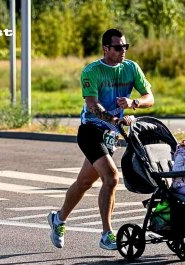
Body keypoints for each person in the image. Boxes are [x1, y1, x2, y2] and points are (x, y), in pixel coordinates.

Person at [48, 28, 154, 250]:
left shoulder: (131, 67)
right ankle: (107, 234)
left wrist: (134, 103)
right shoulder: (92, 71)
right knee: (112, 178)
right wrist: (114, 119)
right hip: (91, 130)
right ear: (106, 49)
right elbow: (93, 106)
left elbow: (149, 98)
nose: (122, 51)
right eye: (118, 47)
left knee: (85, 182)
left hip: (112, 134)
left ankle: (58, 219)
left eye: (125, 46)